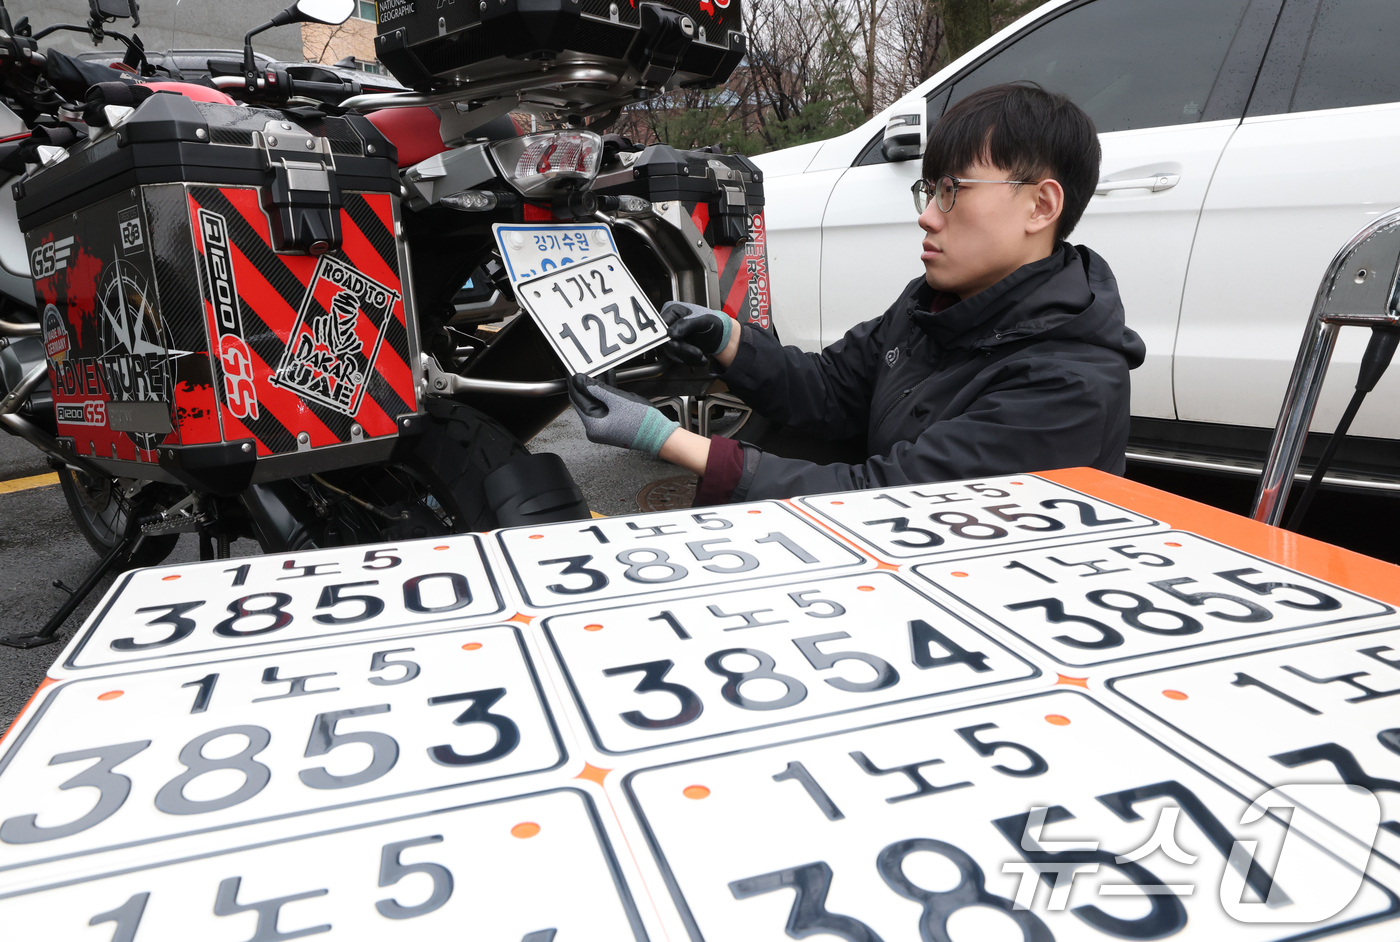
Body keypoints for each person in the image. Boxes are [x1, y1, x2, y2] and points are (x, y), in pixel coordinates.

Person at [567, 82, 1145, 505]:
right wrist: (728, 339)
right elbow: (832, 389)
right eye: (928, 190)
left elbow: (885, 498)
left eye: (952, 191)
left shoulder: (1069, 382)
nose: (928, 218)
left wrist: (663, 438)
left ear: (1041, 206)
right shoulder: (935, 306)